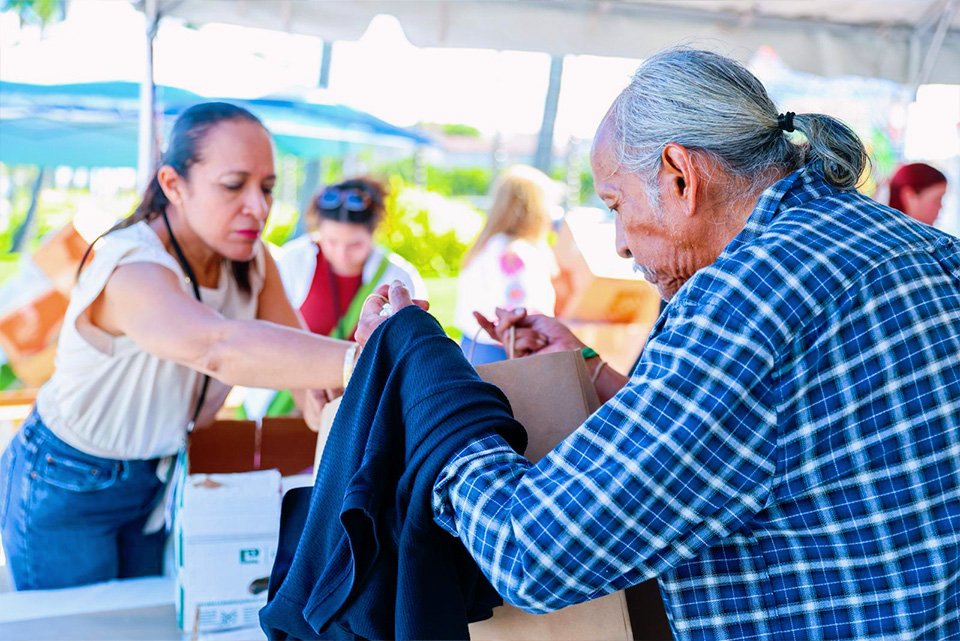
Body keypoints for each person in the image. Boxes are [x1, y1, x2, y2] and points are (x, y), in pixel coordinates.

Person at [355, 48, 960, 640]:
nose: (619, 242)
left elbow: (531, 549)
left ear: (680, 175)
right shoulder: (922, 246)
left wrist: (429, 390)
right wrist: (588, 371)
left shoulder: (748, 294)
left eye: (616, 204)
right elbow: (779, 440)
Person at [0, 102, 424, 591]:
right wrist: (364, 359)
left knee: (140, 625)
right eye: (233, 185)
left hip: (159, 474)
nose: (259, 208)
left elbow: (312, 393)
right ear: (173, 185)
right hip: (66, 478)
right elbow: (216, 347)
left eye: (266, 188)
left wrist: (368, 391)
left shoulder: (254, 261)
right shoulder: (129, 265)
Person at [240, 177, 426, 418]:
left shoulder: (400, 277)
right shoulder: (293, 261)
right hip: (285, 404)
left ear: (374, 232)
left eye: (355, 244)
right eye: (331, 241)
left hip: (360, 409)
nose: (342, 254)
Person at [454, 165, 557, 364]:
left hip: (474, 347)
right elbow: (520, 311)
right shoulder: (514, 252)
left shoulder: (488, 246)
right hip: (504, 353)